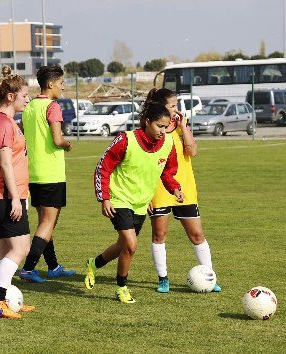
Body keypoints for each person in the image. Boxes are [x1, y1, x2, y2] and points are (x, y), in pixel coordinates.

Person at [85, 103, 184, 303]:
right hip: (119, 199)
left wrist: (174, 187)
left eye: (166, 127)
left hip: (141, 203)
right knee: (131, 245)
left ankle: (93, 264)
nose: (163, 131)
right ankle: (122, 287)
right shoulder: (125, 140)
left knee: (123, 245)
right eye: (159, 126)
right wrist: (104, 198)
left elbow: (167, 171)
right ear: (147, 122)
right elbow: (102, 168)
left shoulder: (168, 144)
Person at [145, 88, 222, 294]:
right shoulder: (153, 129)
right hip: (159, 189)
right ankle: (163, 279)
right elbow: (144, 164)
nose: (176, 109)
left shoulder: (181, 128)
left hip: (185, 188)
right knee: (159, 234)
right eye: (172, 105)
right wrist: (146, 195)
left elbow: (193, 151)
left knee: (197, 234)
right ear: (161, 107)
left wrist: (184, 128)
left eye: (176, 105)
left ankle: (209, 276)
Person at [0, 66, 35, 319]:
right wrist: (16, 198)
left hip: (8, 194)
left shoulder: (3, 120)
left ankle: (3, 299)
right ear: (11, 97)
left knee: (5, 249)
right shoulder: (3, 122)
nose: (28, 100)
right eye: (25, 96)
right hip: (5, 196)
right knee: (21, 248)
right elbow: (5, 163)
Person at [19, 64, 75, 283]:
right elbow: (58, 139)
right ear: (50, 84)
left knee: (46, 221)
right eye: (61, 83)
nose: (63, 87)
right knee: (48, 222)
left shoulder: (30, 107)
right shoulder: (52, 107)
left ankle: (53, 266)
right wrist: (68, 145)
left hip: (34, 173)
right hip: (51, 173)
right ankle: (28, 268)